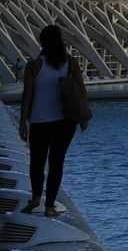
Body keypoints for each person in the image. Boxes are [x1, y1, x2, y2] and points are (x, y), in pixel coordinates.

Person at [18, 24, 91, 218]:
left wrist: (22, 122)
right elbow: (81, 91)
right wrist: (83, 117)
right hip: (65, 122)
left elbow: (27, 96)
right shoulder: (70, 62)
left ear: (42, 42)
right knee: (56, 164)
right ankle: (49, 207)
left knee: (37, 162)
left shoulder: (34, 65)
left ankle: (35, 200)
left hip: (39, 121)